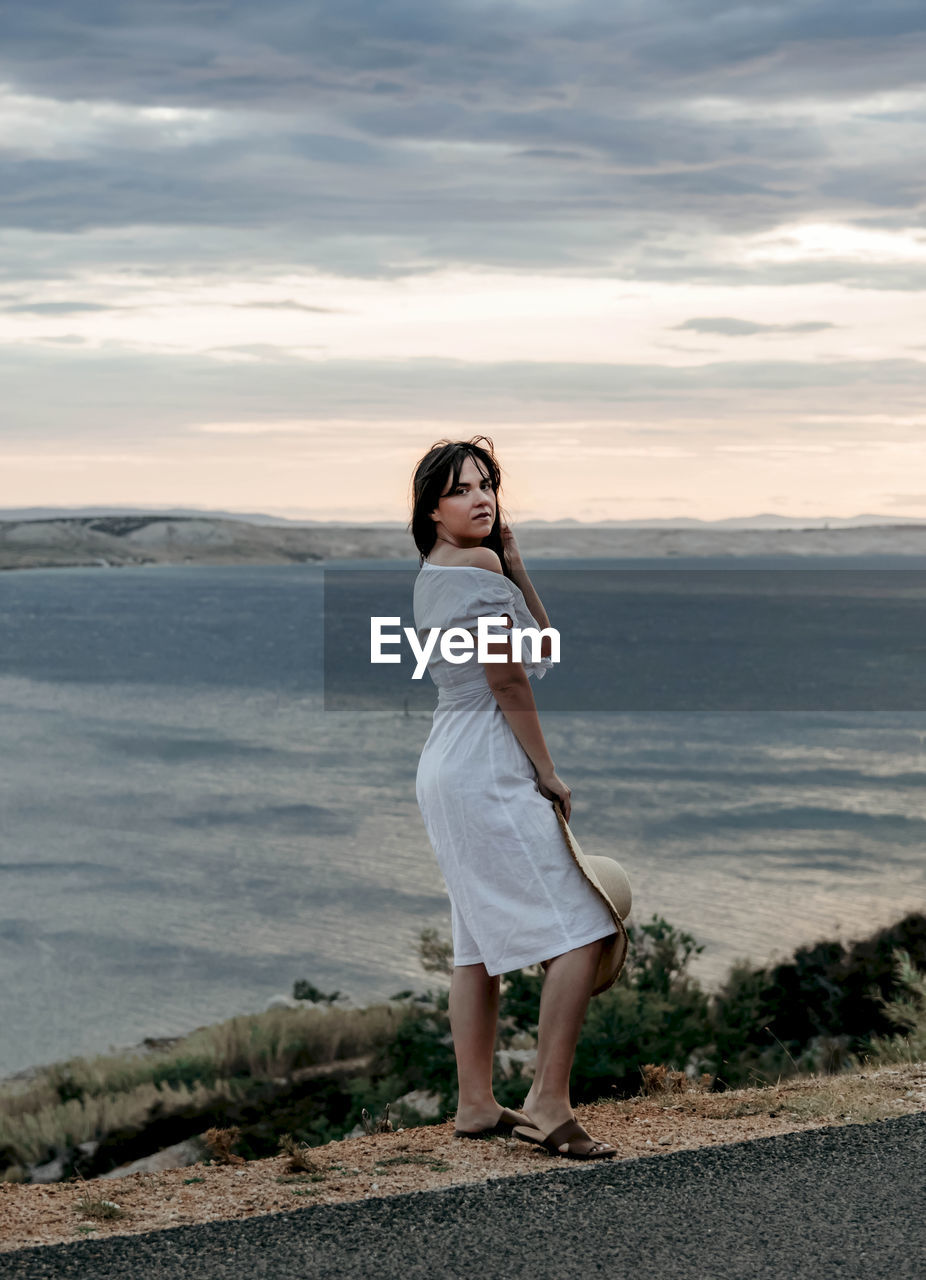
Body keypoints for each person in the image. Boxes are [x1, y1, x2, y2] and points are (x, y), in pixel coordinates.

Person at [409, 436, 621, 1160]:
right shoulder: (476, 568)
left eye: (487, 484)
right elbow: (509, 680)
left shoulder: (441, 571)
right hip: (486, 765)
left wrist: (519, 565)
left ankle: (474, 1102)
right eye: (461, 489)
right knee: (587, 926)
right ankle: (549, 1100)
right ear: (433, 510)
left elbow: (545, 646)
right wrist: (548, 772)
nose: (480, 497)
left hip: (445, 763)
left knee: (475, 943)